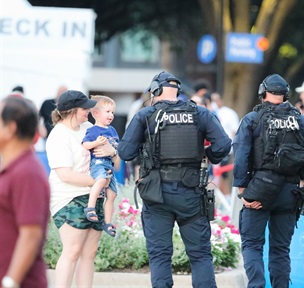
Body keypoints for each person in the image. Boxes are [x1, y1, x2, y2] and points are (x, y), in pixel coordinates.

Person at [118, 71, 231, 288]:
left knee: (160, 256)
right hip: (191, 193)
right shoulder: (200, 114)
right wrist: (208, 155)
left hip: (156, 194)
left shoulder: (145, 115)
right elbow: (224, 145)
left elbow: (125, 152)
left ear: (156, 90)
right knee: (200, 256)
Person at [233, 74, 304, 288]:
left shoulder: (252, 119)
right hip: (290, 193)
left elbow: (241, 156)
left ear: (263, 92)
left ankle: (256, 285)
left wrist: (242, 191)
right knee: (280, 249)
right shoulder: (301, 121)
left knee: (252, 244)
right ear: (286, 94)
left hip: (259, 190)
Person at [46, 90, 116, 288]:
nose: (89, 110)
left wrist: (112, 151)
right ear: (72, 110)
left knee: (89, 253)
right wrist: (97, 182)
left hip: (94, 196)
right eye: (85, 108)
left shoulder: (87, 127)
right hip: (69, 198)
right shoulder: (59, 135)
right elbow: (65, 175)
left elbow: (109, 154)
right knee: (73, 250)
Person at [0, 97, 50, 288]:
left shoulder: (27, 172)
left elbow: (31, 234)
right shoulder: (12, 168)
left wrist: (11, 281)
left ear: (10, 127)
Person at [82, 95, 120, 237]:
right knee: (101, 180)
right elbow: (85, 145)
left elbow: (117, 149)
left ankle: (107, 222)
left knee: (112, 194)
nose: (111, 115)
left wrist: (114, 152)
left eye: (112, 112)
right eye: (108, 112)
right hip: (98, 163)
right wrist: (96, 143)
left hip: (109, 165)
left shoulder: (113, 131)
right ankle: (90, 207)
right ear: (96, 113)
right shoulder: (93, 131)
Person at [210, 92, 239, 196]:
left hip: (226, 150)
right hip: (212, 149)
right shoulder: (210, 113)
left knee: (222, 175)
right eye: (213, 100)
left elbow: (235, 131)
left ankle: (225, 197)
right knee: (214, 176)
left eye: (217, 99)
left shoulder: (229, 113)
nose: (215, 103)